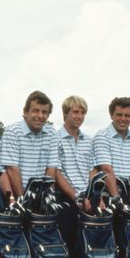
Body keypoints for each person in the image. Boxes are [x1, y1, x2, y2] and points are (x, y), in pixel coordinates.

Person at [0, 90, 63, 258]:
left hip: (41, 205)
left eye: (45, 112)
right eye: (35, 110)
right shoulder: (13, 131)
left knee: (45, 257)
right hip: (17, 203)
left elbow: (51, 170)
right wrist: (24, 200)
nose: (40, 116)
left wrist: (41, 201)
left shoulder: (51, 134)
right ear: (25, 111)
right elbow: (12, 169)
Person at [55, 96, 94, 247]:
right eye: (75, 112)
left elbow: (91, 170)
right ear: (65, 114)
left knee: (87, 248)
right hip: (65, 200)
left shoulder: (88, 140)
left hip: (87, 201)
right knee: (68, 246)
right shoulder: (55, 138)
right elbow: (57, 174)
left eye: (82, 112)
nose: (79, 116)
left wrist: (95, 196)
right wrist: (77, 197)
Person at [92, 97, 130, 197]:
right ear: (111, 115)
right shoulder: (102, 136)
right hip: (108, 195)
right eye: (119, 115)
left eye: (127, 115)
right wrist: (117, 200)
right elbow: (106, 170)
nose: (123, 119)